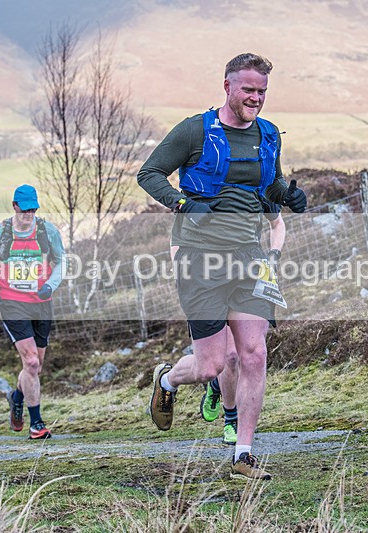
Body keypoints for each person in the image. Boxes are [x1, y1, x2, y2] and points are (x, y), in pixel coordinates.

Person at [138, 53, 307, 480]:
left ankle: (243, 456)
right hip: (201, 259)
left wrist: (287, 195)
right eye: (248, 89)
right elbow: (150, 173)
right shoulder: (195, 130)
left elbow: (269, 185)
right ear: (228, 86)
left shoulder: (268, 135)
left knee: (253, 354)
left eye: (262, 91)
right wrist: (182, 203)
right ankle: (168, 381)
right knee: (212, 365)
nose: (256, 98)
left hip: (250, 257)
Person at [0, 184, 66, 440]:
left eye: (33, 209)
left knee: (36, 365)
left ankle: (16, 396)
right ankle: (36, 423)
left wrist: (50, 285)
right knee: (30, 362)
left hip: (41, 301)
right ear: (15, 207)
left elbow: (62, 261)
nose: (29, 214)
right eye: (25, 209)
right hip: (11, 301)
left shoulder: (47, 231)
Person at [198, 199, 286, 446]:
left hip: (249, 277)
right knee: (229, 358)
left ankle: (218, 388)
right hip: (212, 279)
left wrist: (273, 255)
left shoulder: (256, 187)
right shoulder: (210, 190)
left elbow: (278, 223)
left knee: (246, 354)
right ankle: (229, 418)